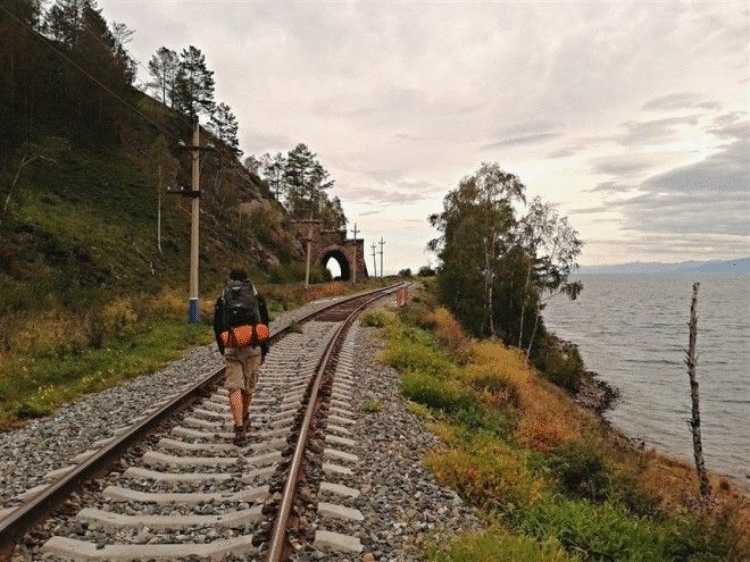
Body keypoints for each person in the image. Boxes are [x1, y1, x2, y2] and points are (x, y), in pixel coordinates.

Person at [213, 268, 270, 446]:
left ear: (230, 280)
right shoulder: (256, 296)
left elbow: (216, 326)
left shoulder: (223, 298)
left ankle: (238, 428)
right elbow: (265, 323)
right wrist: (265, 349)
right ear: (247, 279)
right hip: (253, 346)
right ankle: (244, 415)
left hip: (232, 346)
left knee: (234, 388)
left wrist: (223, 347)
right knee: (248, 387)